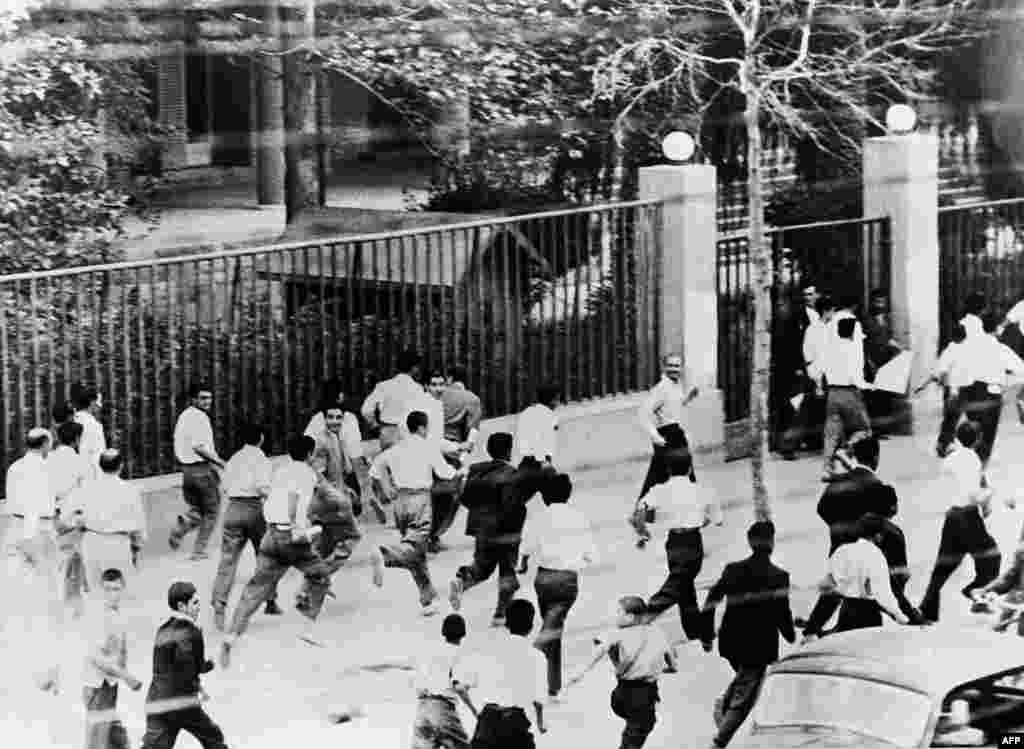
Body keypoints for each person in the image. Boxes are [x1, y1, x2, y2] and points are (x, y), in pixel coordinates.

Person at [220, 435, 333, 663]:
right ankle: (308, 628)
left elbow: (273, 498)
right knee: (321, 576)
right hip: (289, 536)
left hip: (271, 534)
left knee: (254, 589)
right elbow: (294, 500)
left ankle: (231, 636)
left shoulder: (280, 469)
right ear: (310, 454)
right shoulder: (306, 473)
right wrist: (295, 525)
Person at [700, 521, 796, 748]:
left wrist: (706, 633)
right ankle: (718, 742)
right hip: (759, 645)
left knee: (746, 681)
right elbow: (782, 612)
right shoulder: (779, 576)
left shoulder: (732, 569)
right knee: (745, 699)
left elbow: (711, 599)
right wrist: (790, 634)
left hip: (731, 640)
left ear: (749, 542)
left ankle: (724, 704)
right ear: (771, 543)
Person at [369, 410, 461, 617]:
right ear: (421, 427)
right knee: (413, 547)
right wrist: (461, 472)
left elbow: (375, 470)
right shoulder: (427, 446)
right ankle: (385, 555)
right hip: (420, 500)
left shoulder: (395, 448)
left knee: (416, 553)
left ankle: (427, 599)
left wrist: (386, 487)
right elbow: (445, 473)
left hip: (400, 502)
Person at [517, 472, 596, 700]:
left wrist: (522, 565)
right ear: (569, 494)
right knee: (553, 628)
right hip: (567, 580)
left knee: (552, 627)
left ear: (543, 496)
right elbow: (591, 556)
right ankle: (530, 660)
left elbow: (524, 551)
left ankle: (553, 686)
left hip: (543, 579)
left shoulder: (538, 518)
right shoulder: (579, 518)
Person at [566, 596, 678, 749]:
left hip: (620, 696)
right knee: (640, 729)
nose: (615, 615)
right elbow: (673, 663)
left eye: (619, 612)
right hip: (643, 695)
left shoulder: (616, 634)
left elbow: (600, 648)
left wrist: (580, 672)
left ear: (630, 617)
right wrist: (664, 669)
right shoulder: (657, 632)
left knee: (636, 724)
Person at [634, 451, 723, 641]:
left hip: (673, 543)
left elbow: (638, 513)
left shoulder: (659, 490)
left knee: (683, 584)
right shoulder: (702, 490)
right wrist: (699, 518)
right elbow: (717, 520)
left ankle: (696, 630)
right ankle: (648, 612)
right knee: (679, 584)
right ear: (690, 468)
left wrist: (643, 532)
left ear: (667, 469)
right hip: (692, 541)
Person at [919, 421, 1001, 622]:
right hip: (969, 516)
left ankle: (927, 610)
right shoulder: (973, 459)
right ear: (977, 439)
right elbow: (974, 494)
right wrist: (990, 493)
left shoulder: (950, 459)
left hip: (952, 517)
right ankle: (976, 591)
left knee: (943, 567)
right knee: (992, 558)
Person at [449, 433, 526, 627]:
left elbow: (465, 498)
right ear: (509, 451)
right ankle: (500, 614)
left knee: (482, 568)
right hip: (506, 532)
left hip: (482, 529)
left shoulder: (476, 471)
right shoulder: (513, 474)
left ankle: (462, 581)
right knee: (507, 572)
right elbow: (514, 505)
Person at [210, 423, 280, 631]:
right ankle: (270, 600)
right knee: (266, 556)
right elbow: (262, 487)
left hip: (233, 509)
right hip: (254, 509)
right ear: (261, 439)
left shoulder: (234, 459)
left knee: (228, 560)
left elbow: (223, 487)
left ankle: (219, 605)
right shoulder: (261, 459)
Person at [141, 581, 228, 749]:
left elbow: (164, 668)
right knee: (213, 738)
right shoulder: (192, 632)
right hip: (181, 702)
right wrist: (213, 662)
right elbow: (192, 667)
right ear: (182, 606)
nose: (198, 607)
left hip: (156, 700)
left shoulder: (162, 629)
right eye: (195, 603)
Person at [296, 411, 363, 616]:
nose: (335, 421)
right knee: (352, 538)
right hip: (331, 503)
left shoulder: (336, 438)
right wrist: (338, 495)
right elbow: (317, 476)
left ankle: (305, 591)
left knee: (323, 548)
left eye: (338, 417)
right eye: (330, 417)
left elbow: (343, 470)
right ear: (323, 419)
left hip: (331, 499)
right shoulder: (322, 443)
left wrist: (346, 488)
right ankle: (319, 578)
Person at [803, 514, 909, 638]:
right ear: (878, 536)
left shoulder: (842, 552)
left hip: (847, 613)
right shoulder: (876, 556)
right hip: (869, 616)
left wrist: (812, 628)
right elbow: (885, 594)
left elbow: (830, 592)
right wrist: (903, 618)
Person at [468, 598, 548, 748]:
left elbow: (467, 683)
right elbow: (538, 700)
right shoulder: (536, 657)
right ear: (531, 626)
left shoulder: (488, 650)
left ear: (506, 623)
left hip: (486, 725)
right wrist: (541, 722)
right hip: (514, 726)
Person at [81, 568, 144, 749]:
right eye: (107, 589)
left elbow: (120, 649)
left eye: (115, 589)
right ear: (101, 590)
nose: (111, 594)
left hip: (109, 685)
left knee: (115, 739)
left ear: (123, 589)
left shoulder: (118, 614)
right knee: (97, 742)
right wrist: (126, 676)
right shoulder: (98, 616)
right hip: (97, 686)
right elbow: (97, 658)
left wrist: (121, 674)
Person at [68, 449, 147, 591]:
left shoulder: (86, 488)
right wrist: (137, 545)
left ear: (99, 465)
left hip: (92, 542)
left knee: (96, 591)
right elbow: (138, 524)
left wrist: (80, 524)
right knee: (120, 593)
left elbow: (70, 516)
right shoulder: (129, 490)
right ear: (121, 466)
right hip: (118, 544)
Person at [953, 311, 1024, 468]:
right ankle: (980, 472)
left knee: (972, 434)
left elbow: (958, 368)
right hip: (991, 395)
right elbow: (1021, 369)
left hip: (970, 392)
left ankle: (970, 467)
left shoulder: (968, 347)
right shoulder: (1000, 348)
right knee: (986, 437)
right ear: (996, 329)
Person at [811, 307, 874, 481]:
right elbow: (856, 377)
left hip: (832, 394)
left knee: (831, 433)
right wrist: (870, 386)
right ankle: (845, 451)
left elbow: (816, 371)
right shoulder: (852, 350)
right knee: (864, 430)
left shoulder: (829, 348)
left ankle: (826, 469)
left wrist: (818, 385)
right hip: (850, 393)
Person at [815, 435, 899, 556]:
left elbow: (822, 509)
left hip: (838, 551)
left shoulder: (838, 482)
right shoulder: (878, 487)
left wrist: (839, 526)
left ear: (856, 456)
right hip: (868, 554)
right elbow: (886, 519)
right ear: (876, 457)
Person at [170, 384, 225, 560]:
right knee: (212, 511)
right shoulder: (200, 418)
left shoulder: (184, 415)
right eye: (202, 398)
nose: (207, 401)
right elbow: (199, 447)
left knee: (198, 509)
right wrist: (221, 463)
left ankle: (184, 526)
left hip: (187, 472)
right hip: (201, 470)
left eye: (209, 397)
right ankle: (198, 551)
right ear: (193, 399)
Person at [411, 614, 477, 749]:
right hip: (443, 711)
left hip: (422, 709)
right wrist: (475, 711)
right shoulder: (457, 653)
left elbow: (416, 680)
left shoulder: (430, 652)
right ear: (463, 634)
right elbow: (459, 687)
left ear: (443, 632)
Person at [637, 353, 699, 496]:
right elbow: (643, 413)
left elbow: (673, 408)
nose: (674, 369)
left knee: (675, 474)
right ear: (664, 367)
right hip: (667, 435)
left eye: (677, 366)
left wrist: (688, 398)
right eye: (670, 365)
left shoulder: (675, 385)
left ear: (682, 368)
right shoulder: (661, 388)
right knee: (662, 475)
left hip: (676, 434)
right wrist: (655, 436)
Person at [49, 420, 90, 616]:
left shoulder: (50, 458)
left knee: (62, 558)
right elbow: (86, 490)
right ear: (76, 440)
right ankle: (74, 602)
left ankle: (62, 600)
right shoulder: (79, 461)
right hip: (74, 516)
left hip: (55, 515)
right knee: (75, 561)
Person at [424, 370, 469, 553]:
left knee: (441, 496)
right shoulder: (430, 406)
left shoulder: (436, 404)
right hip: (427, 458)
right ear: (426, 386)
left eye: (441, 384)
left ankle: (431, 536)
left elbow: (436, 440)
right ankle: (430, 536)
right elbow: (432, 441)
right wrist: (455, 448)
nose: (439, 388)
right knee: (447, 494)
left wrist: (456, 447)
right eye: (434, 384)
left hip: (432, 455)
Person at [774, 283, 819, 459]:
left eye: (811, 294)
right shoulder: (793, 317)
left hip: (812, 366)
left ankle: (809, 439)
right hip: (800, 367)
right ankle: (788, 445)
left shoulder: (813, 315)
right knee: (798, 405)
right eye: (805, 294)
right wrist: (799, 368)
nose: (808, 298)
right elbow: (793, 345)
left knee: (804, 404)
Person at [305, 378, 366, 502]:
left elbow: (306, 449)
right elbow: (355, 452)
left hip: (321, 473)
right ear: (339, 396)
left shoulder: (316, 420)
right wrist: (362, 484)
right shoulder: (349, 418)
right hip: (342, 472)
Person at [918, 322, 971, 457]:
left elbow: (939, 371)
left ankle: (945, 442)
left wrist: (925, 384)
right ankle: (944, 443)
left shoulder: (950, 350)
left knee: (951, 417)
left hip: (955, 389)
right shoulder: (961, 350)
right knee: (952, 417)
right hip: (957, 389)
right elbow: (943, 372)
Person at [862, 289, 909, 436]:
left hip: (884, 362)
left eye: (882, 302)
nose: (880, 305)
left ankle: (881, 429)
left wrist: (900, 347)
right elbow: (863, 342)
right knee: (872, 397)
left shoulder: (886, 320)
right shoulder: (866, 320)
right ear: (872, 303)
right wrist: (868, 361)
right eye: (877, 302)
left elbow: (887, 339)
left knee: (884, 396)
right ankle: (872, 429)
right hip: (872, 363)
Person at [361, 349, 426, 450]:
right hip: (407, 433)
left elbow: (366, 410)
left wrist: (374, 425)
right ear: (414, 368)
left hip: (386, 433)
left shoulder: (383, 386)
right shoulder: (418, 389)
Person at [513, 383, 561, 501]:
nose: (558, 403)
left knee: (517, 498)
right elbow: (538, 438)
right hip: (540, 462)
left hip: (525, 462)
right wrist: (543, 461)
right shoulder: (548, 415)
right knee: (556, 497)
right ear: (552, 400)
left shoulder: (527, 412)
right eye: (557, 400)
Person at [442, 366, 483, 451]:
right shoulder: (472, 398)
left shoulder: (436, 395)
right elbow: (473, 428)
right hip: (455, 445)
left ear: (450, 378)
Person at [74, 385, 107, 480]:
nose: (100, 406)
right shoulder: (95, 426)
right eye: (99, 402)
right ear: (92, 402)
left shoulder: (73, 421)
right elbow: (98, 455)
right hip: (91, 476)